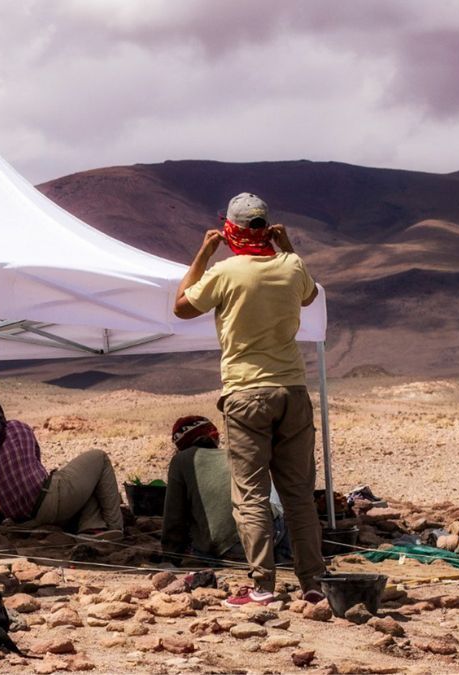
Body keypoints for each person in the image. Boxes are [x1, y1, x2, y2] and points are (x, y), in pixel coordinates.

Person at [172, 192, 325, 606]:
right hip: (292, 390)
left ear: (231, 230)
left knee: (251, 493)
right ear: (267, 227)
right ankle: (313, 582)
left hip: (246, 392)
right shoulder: (290, 266)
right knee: (298, 494)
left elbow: (182, 306)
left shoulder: (226, 271)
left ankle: (262, 586)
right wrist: (287, 245)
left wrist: (204, 252)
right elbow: (310, 295)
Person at [0, 402, 123, 539]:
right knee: (99, 458)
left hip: (26, 518)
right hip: (50, 500)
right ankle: (115, 528)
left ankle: (92, 529)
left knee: (88, 482)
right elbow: (36, 471)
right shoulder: (20, 427)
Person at [161, 415, 291, 566]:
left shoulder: (181, 460)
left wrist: (170, 557)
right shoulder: (234, 455)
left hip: (227, 550)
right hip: (270, 536)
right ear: (214, 437)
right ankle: (283, 557)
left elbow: (174, 518)